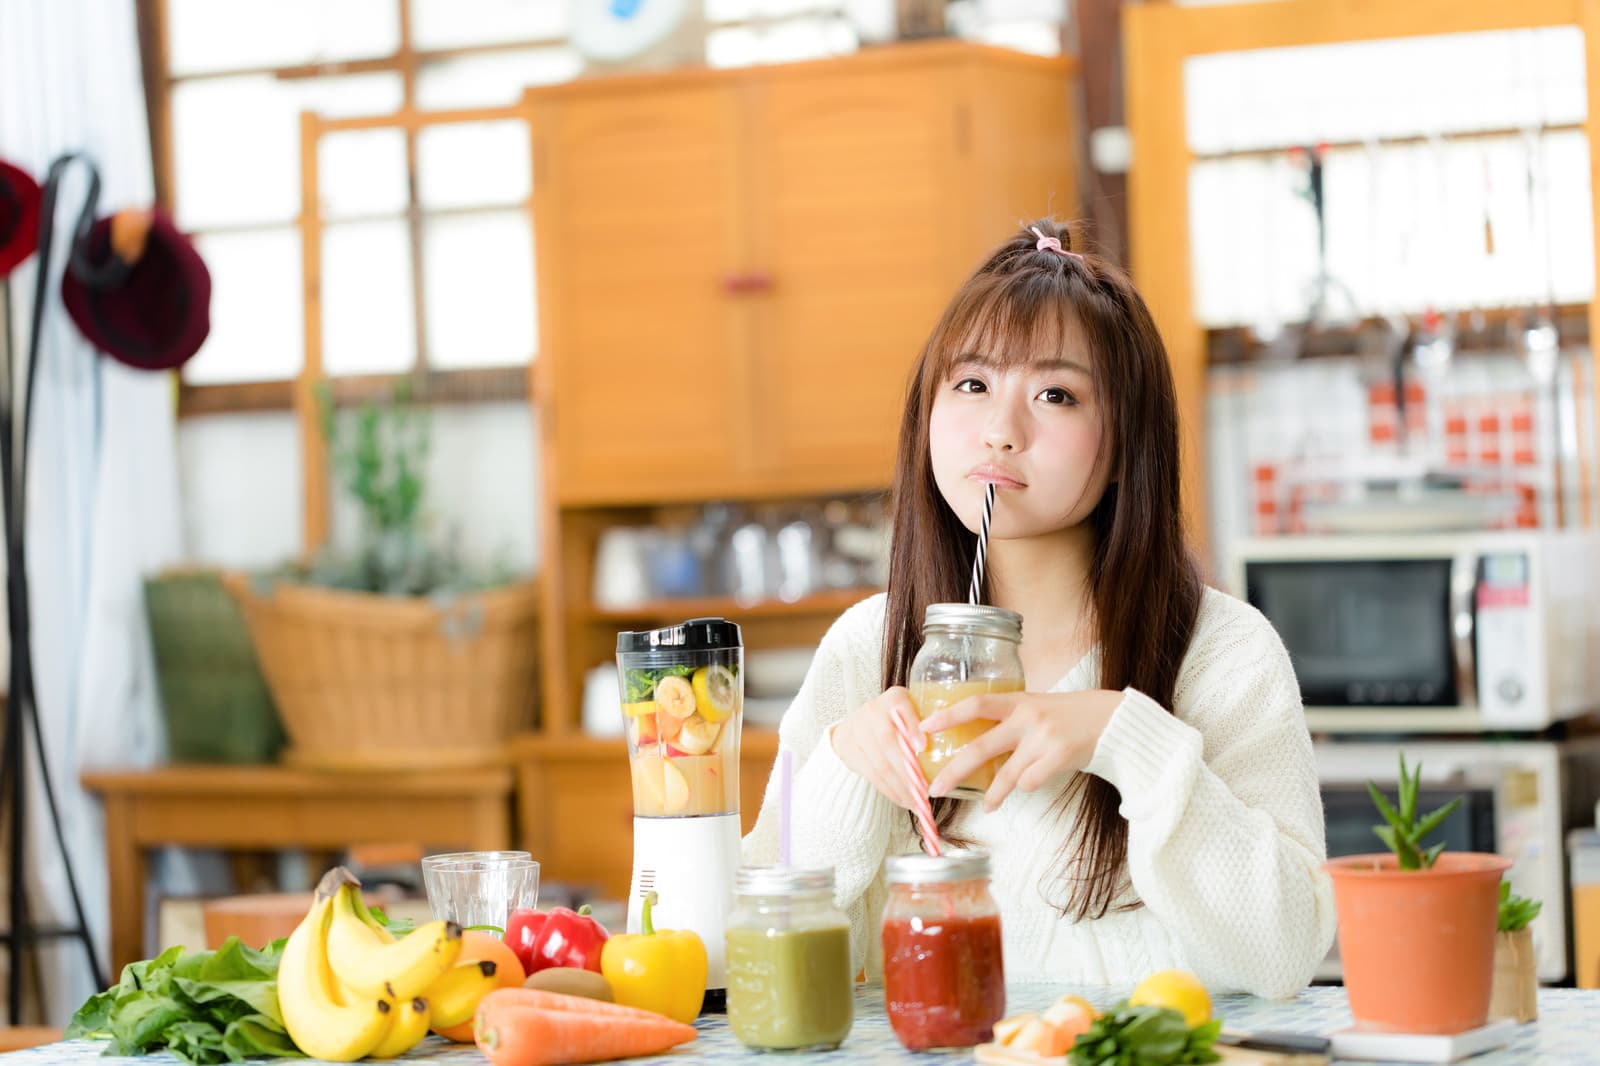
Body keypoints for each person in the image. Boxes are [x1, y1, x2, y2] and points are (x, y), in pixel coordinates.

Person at [741, 220, 1335, 997]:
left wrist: (1125, 738)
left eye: (1056, 395)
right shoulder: (867, 647)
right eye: (972, 385)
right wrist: (847, 765)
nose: (1001, 431)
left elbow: (1285, 954)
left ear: (1125, 445)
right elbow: (762, 955)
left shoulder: (1222, 650)